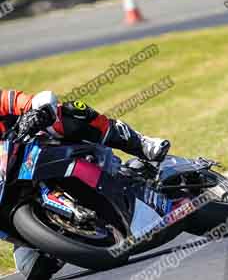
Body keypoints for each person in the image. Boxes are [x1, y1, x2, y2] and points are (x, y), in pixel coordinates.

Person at [0, 89, 170, 280]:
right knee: (31, 268)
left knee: (67, 114)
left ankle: (142, 143)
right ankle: (65, 235)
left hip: (36, 149)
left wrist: (37, 111)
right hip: (10, 198)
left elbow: (35, 100)